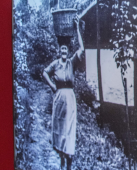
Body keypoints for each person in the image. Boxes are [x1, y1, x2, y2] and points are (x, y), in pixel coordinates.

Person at [43, 15, 84, 170]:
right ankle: (61, 157)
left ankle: (69, 162)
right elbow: (44, 73)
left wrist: (77, 28)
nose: (64, 51)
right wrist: (52, 86)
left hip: (70, 99)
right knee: (60, 129)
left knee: (69, 129)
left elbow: (82, 48)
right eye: (62, 49)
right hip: (59, 98)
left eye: (66, 49)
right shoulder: (56, 64)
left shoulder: (72, 62)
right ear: (59, 51)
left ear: (68, 51)